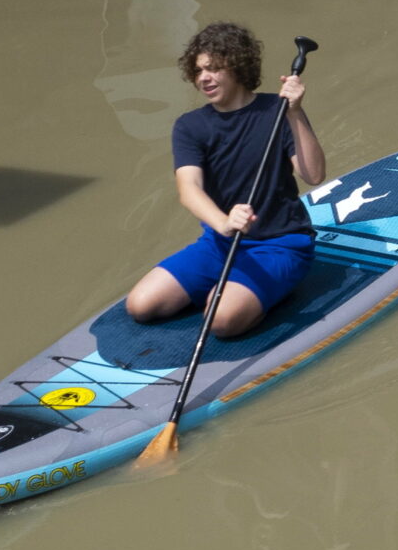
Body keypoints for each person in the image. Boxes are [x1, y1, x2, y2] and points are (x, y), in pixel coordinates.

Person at [124, 22, 326, 338]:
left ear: (238, 66)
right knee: (140, 305)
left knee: (219, 322)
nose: (204, 77)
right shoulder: (190, 126)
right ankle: (228, 290)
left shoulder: (278, 110)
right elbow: (188, 189)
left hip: (281, 244)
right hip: (219, 242)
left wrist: (296, 113)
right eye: (198, 70)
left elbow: (314, 175)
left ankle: (265, 295)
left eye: (214, 68)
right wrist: (224, 223)